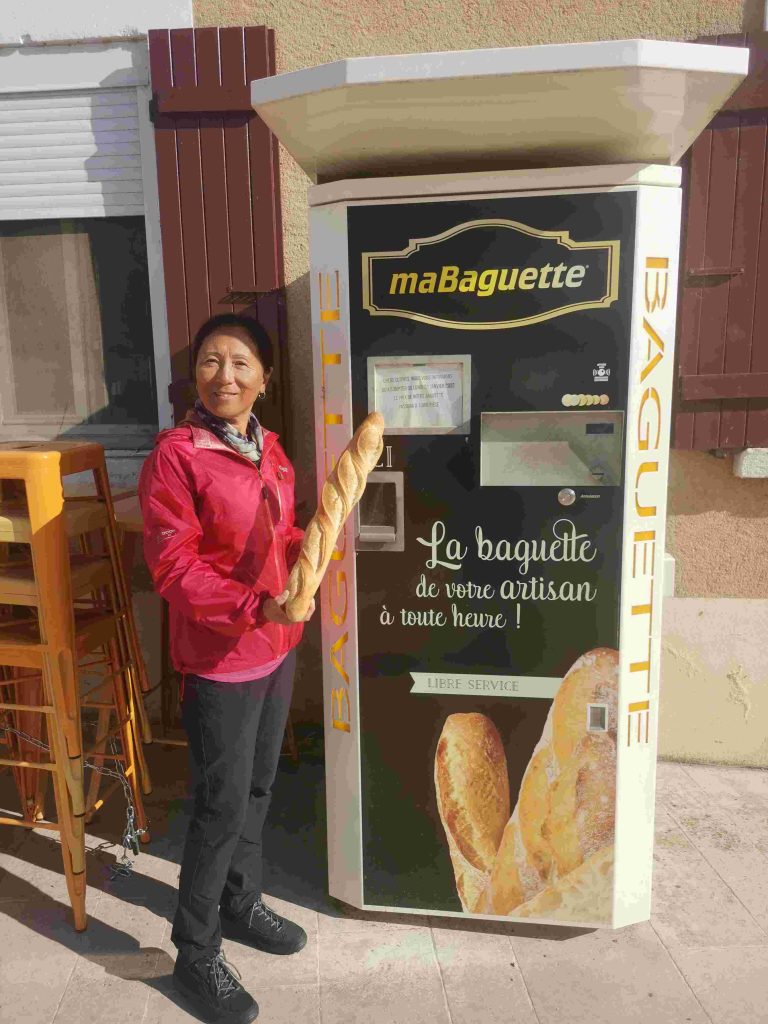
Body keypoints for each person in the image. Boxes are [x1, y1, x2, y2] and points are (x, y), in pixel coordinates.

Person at [138, 313, 314, 1024]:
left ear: (264, 379)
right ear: (195, 375)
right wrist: (253, 604)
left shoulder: (270, 449)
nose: (226, 376)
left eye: (241, 363)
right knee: (220, 805)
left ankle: (240, 903)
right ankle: (195, 952)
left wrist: (309, 551)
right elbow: (173, 566)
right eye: (212, 361)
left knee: (260, 786)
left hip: (276, 647)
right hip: (220, 659)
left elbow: (282, 533)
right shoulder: (176, 457)